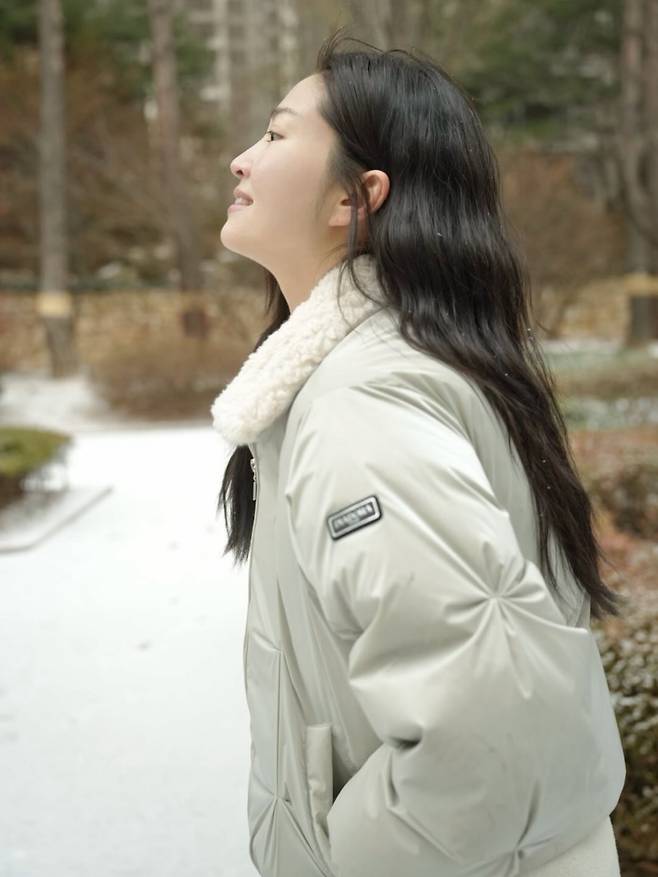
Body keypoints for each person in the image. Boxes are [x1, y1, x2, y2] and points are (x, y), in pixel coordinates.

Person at [211, 28, 627, 877]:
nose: (240, 159)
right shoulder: (386, 369)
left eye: (278, 133)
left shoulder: (363, 400)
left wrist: (349, 856)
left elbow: (487, 725)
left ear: (356, 197)